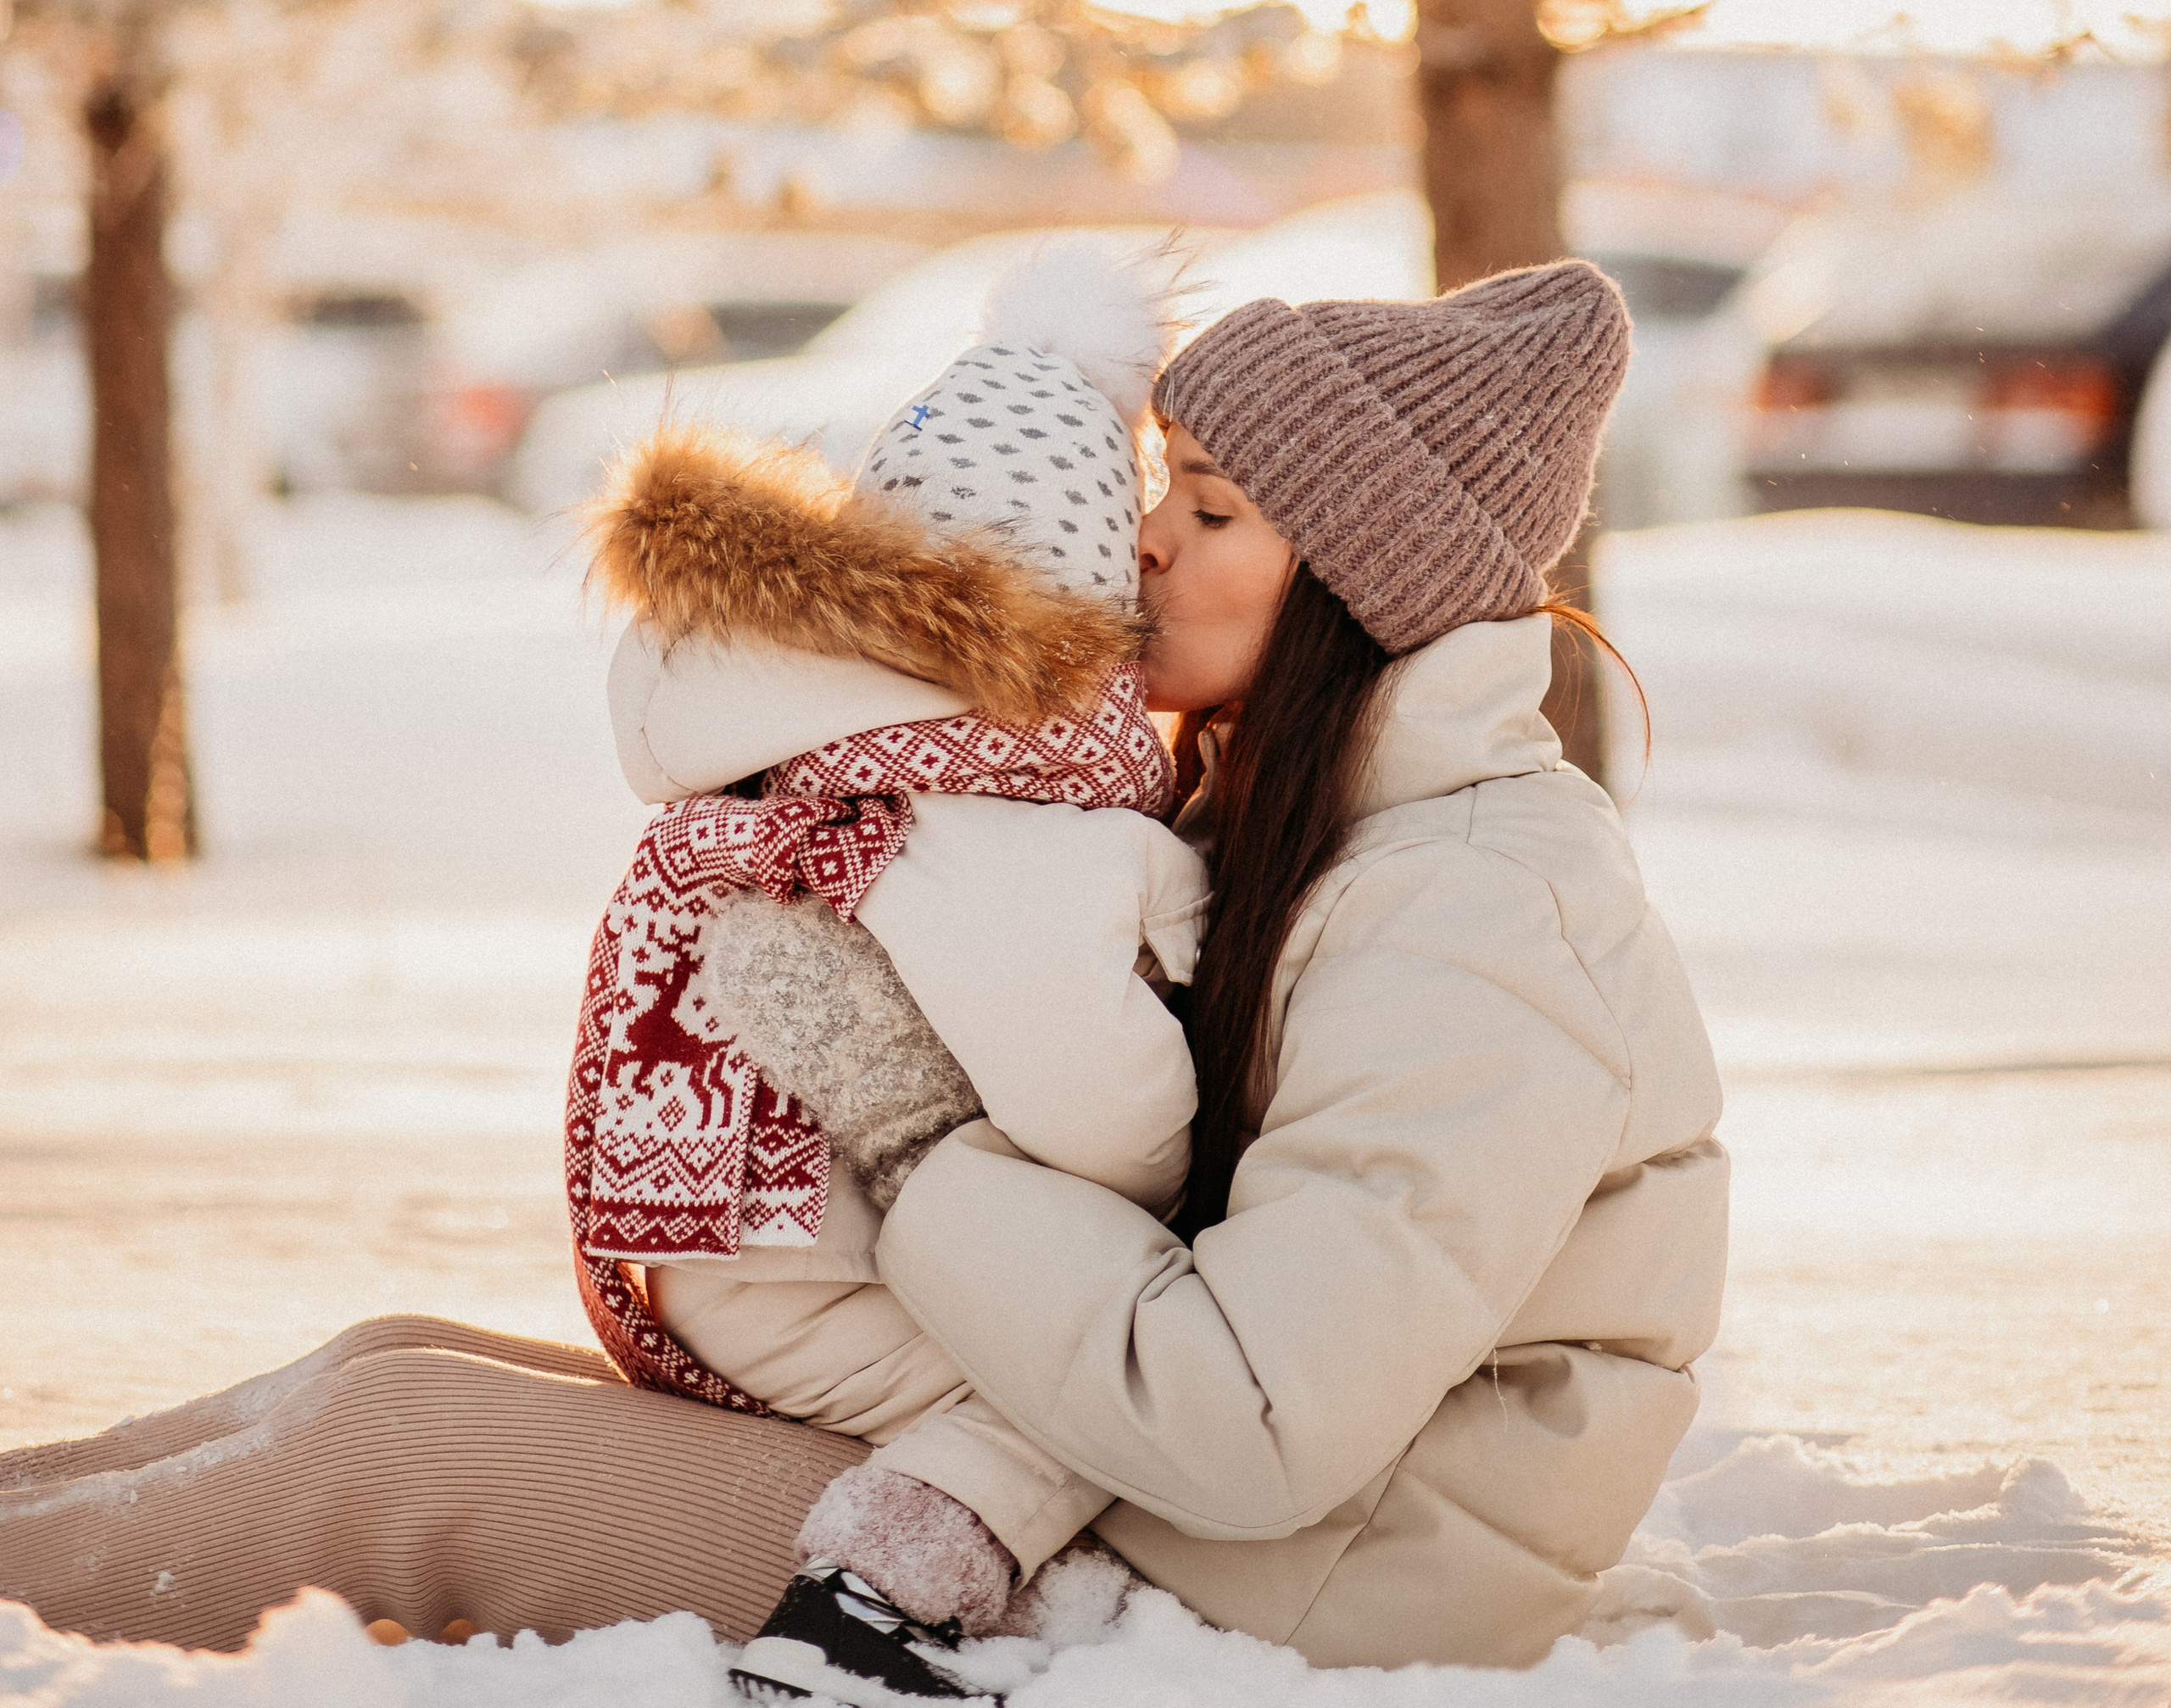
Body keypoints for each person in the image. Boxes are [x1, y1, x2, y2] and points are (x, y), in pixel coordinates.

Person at [0, 255, 1725, 1681]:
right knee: (388, 1373)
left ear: (1363, 584)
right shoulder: (1304, 820)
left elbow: (1254, 1420)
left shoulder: (1483, 912)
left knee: (398, 1465)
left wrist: (907, 1132)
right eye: (1157, 493)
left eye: (1207, 512)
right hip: (1142, 1491)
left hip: (1275, 1581)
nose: (1142, 547)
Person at [566, 238, 1206, 1702]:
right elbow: (1087, 1102)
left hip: (721, 1231)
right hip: (817, 1260)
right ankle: (880, 1608)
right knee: (1113, 1385)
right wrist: (1192, 1143)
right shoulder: (998, 797)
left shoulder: (788, 722)